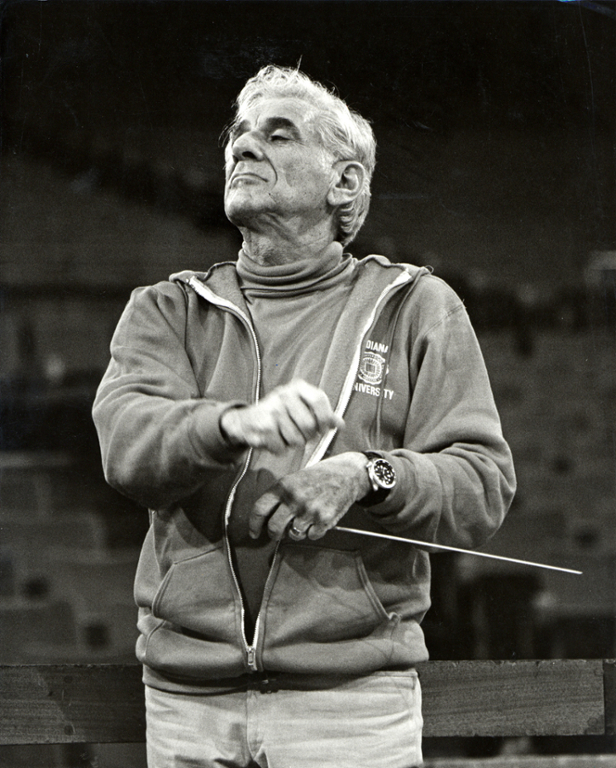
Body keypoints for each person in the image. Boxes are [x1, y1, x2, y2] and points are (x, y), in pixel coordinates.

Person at [92, 65, 516, 768]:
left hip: (354, 707)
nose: (242, 146)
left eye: (277, 133)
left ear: (344, 183)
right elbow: (127, 448)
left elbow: (482, 486)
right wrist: (231, 426)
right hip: (186, 704)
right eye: (239, 133)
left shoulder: (417, 307)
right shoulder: (166, 309)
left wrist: (368, 474)